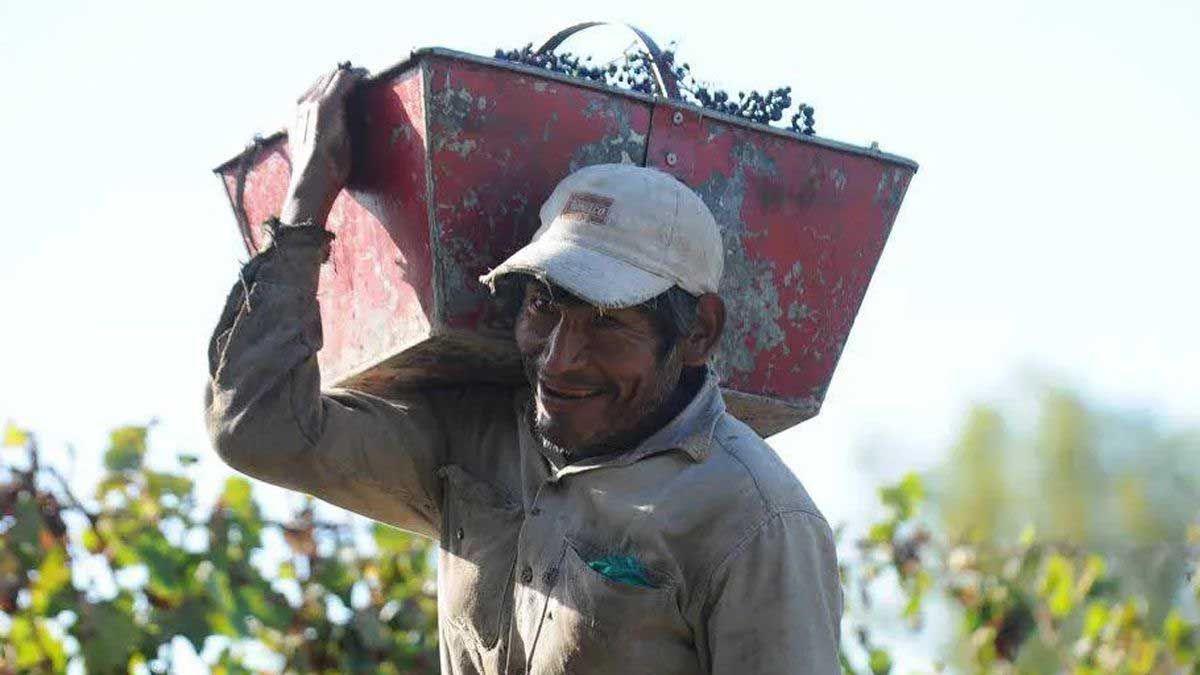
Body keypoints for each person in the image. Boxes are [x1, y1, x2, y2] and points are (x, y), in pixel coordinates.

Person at [207, 64, 841, 674]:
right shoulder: (477, 443)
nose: (560, 359)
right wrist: (307, 201)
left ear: (698, 333)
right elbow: (257, 429)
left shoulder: (754, 522)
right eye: (543, 306)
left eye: (608, 321)